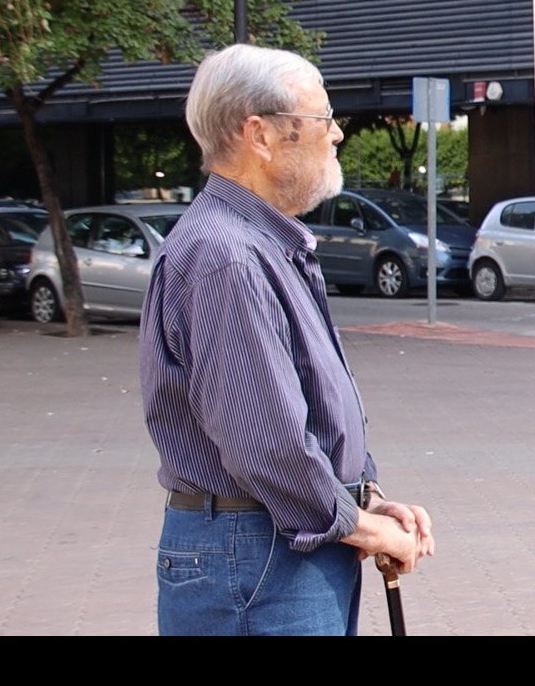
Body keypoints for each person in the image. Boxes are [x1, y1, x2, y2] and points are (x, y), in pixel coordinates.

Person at [140, 44, 435, 636]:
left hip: (271, 546)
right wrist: (364, 524)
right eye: (323, 119)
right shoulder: (228, 256)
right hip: (258, 555)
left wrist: (366, 498)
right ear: (260, 135)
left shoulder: (260, 244)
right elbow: (264, 443)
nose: (337, 136)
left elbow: (309, 414)